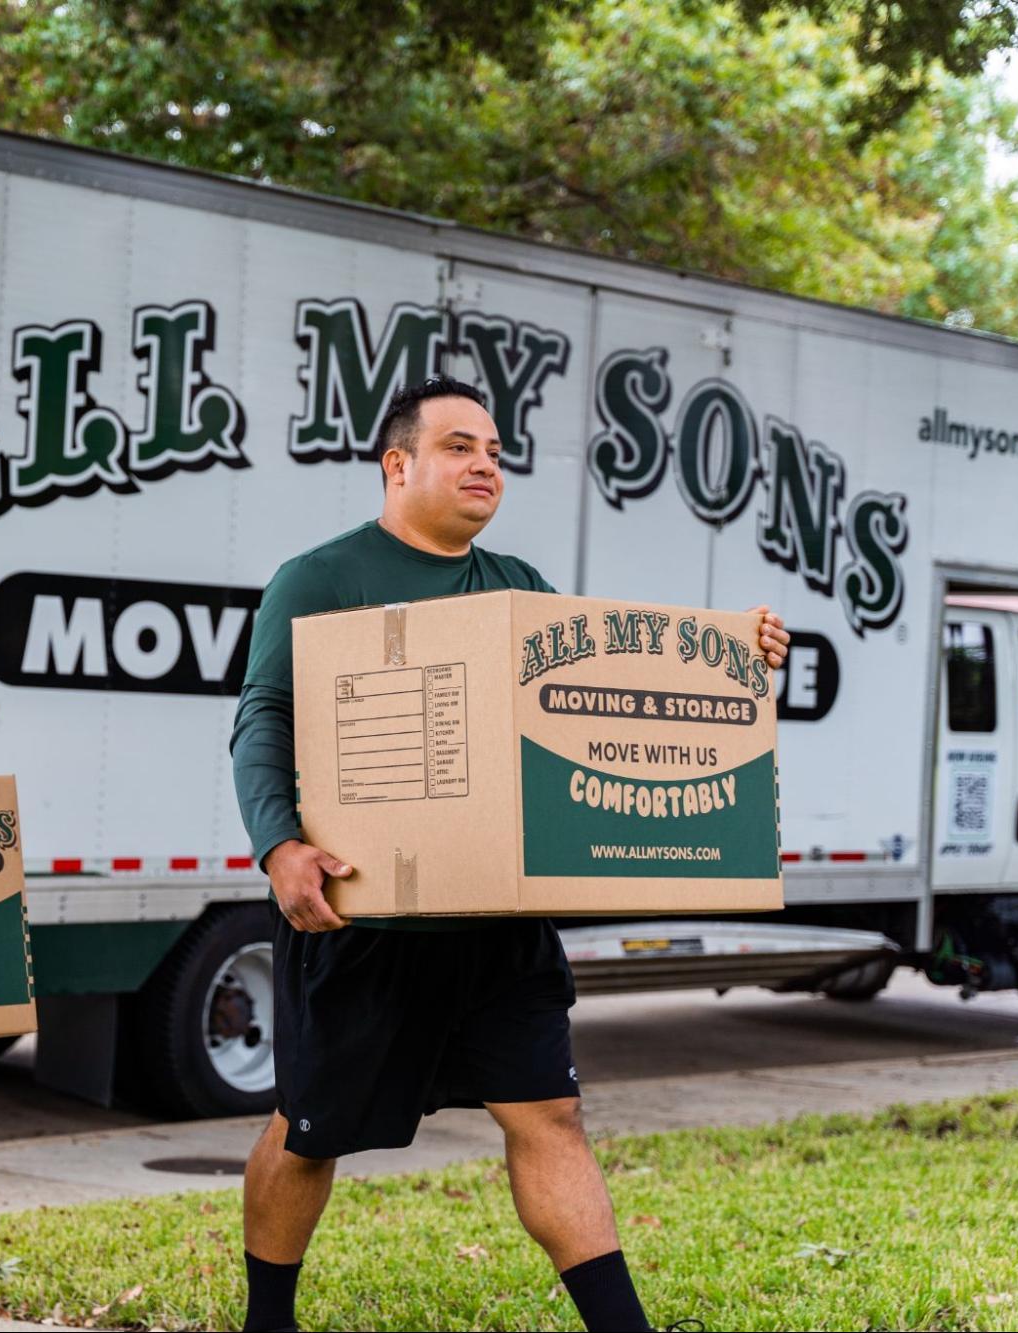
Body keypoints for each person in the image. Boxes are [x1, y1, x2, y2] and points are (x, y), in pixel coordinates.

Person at [229, 377, 790, 1333]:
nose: (486, 462)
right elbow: (263, 716)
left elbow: (607, 686)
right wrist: (279, 845)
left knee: (547, 1114)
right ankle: (267, 1320)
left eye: (493, 448)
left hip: (498, 922)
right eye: (458, 446)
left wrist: (737, 652)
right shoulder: (321, 578)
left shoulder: (518, 587)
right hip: (367, 913)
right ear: (396, 463)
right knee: (310, 1129)